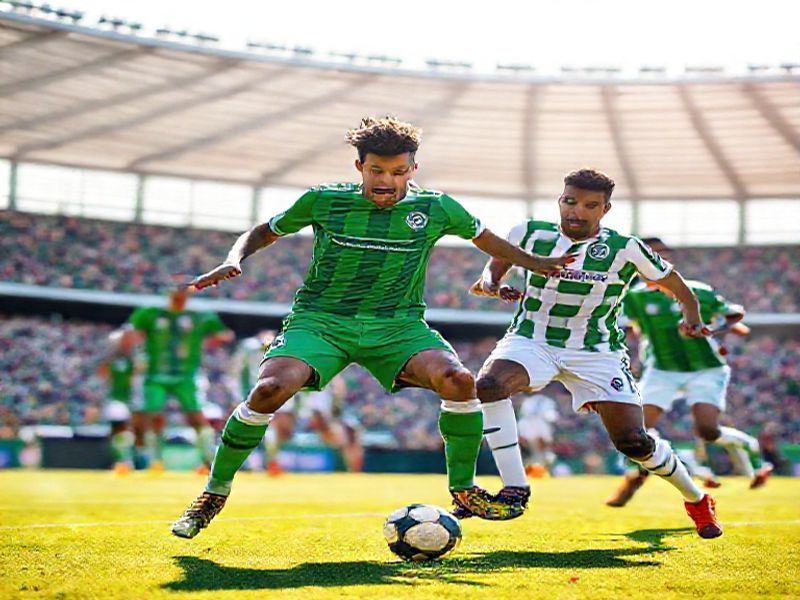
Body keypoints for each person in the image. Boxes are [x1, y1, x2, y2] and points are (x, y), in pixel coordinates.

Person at [170, 115, 573, 539]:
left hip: (398, 325)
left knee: (459, 380)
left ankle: (463, 489)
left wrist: (535, 264)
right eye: (377, 170)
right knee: (268, 390)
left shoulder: (436, 207)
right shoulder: (323, 200)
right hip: (322, 321)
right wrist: (235, 257)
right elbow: (265, 231)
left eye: (398, 172)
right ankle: (213, 493)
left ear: (412, 170)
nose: (387, 180)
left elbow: (485, 238)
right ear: (360, 166)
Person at [470, 168, 724, 538]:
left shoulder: (626, 248)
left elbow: (679, 287)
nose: (577, 211)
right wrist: (495, 286)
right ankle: (514, 488)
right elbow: (489, 277)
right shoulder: (528, 233)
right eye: (570, 201)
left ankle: (697, 499)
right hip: (532, 339)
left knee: (633, 442)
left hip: (596, 351)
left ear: (605, 209)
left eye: (589, 205)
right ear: (560, 200)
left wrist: (692, 318)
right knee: (489, 384)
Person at [605, 238, 772, 507]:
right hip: (662, 370)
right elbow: (632, 325)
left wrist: (713, 328)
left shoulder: (698, 291)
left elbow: (734, 313)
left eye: (661, 256)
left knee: (707, 430)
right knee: (636, 429)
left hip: (705, 369)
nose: (654, 262)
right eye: (648, 257)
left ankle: (748, 447)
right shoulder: (634, 297)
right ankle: (633, 480)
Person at [120, 287, 233, 472]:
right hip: (155, 374)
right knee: (151, 415)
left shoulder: (200, 315)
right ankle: (153, 460)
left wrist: (204, 345)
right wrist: (138, 356)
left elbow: (224, 335)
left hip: (187, 374)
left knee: (196, 417)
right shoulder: (151, 312)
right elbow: (132, 333)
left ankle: (207, 461)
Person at [97, 329, 139, 473]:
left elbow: (136, 376)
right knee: (118, 430)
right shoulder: (111, 360)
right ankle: (123, 461)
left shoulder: (131, 359)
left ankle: (126, 460)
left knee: (125, 431)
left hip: (129, 399)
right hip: (116, 399)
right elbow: (102, 374)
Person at [516, 392, 558, 476]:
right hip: (529, 428)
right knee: (537, 454)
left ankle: (542, 470)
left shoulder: (546, 402)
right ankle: (534, 470)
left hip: (537, 427)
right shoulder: (529, 403)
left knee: (544, 454)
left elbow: (551, 417)